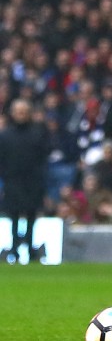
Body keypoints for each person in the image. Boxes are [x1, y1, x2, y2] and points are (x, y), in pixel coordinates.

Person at [0, 99, 51, 263]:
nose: (20, 115)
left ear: (29, 114)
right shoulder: (5, 135)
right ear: (13, 113)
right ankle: (14, 250)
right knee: (13, 217)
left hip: (32, 183)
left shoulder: (38, 134)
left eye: (23, 112)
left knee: (31, 216)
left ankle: (30, 249)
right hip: (13, 182)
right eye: (18, 111)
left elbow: (43, 158)